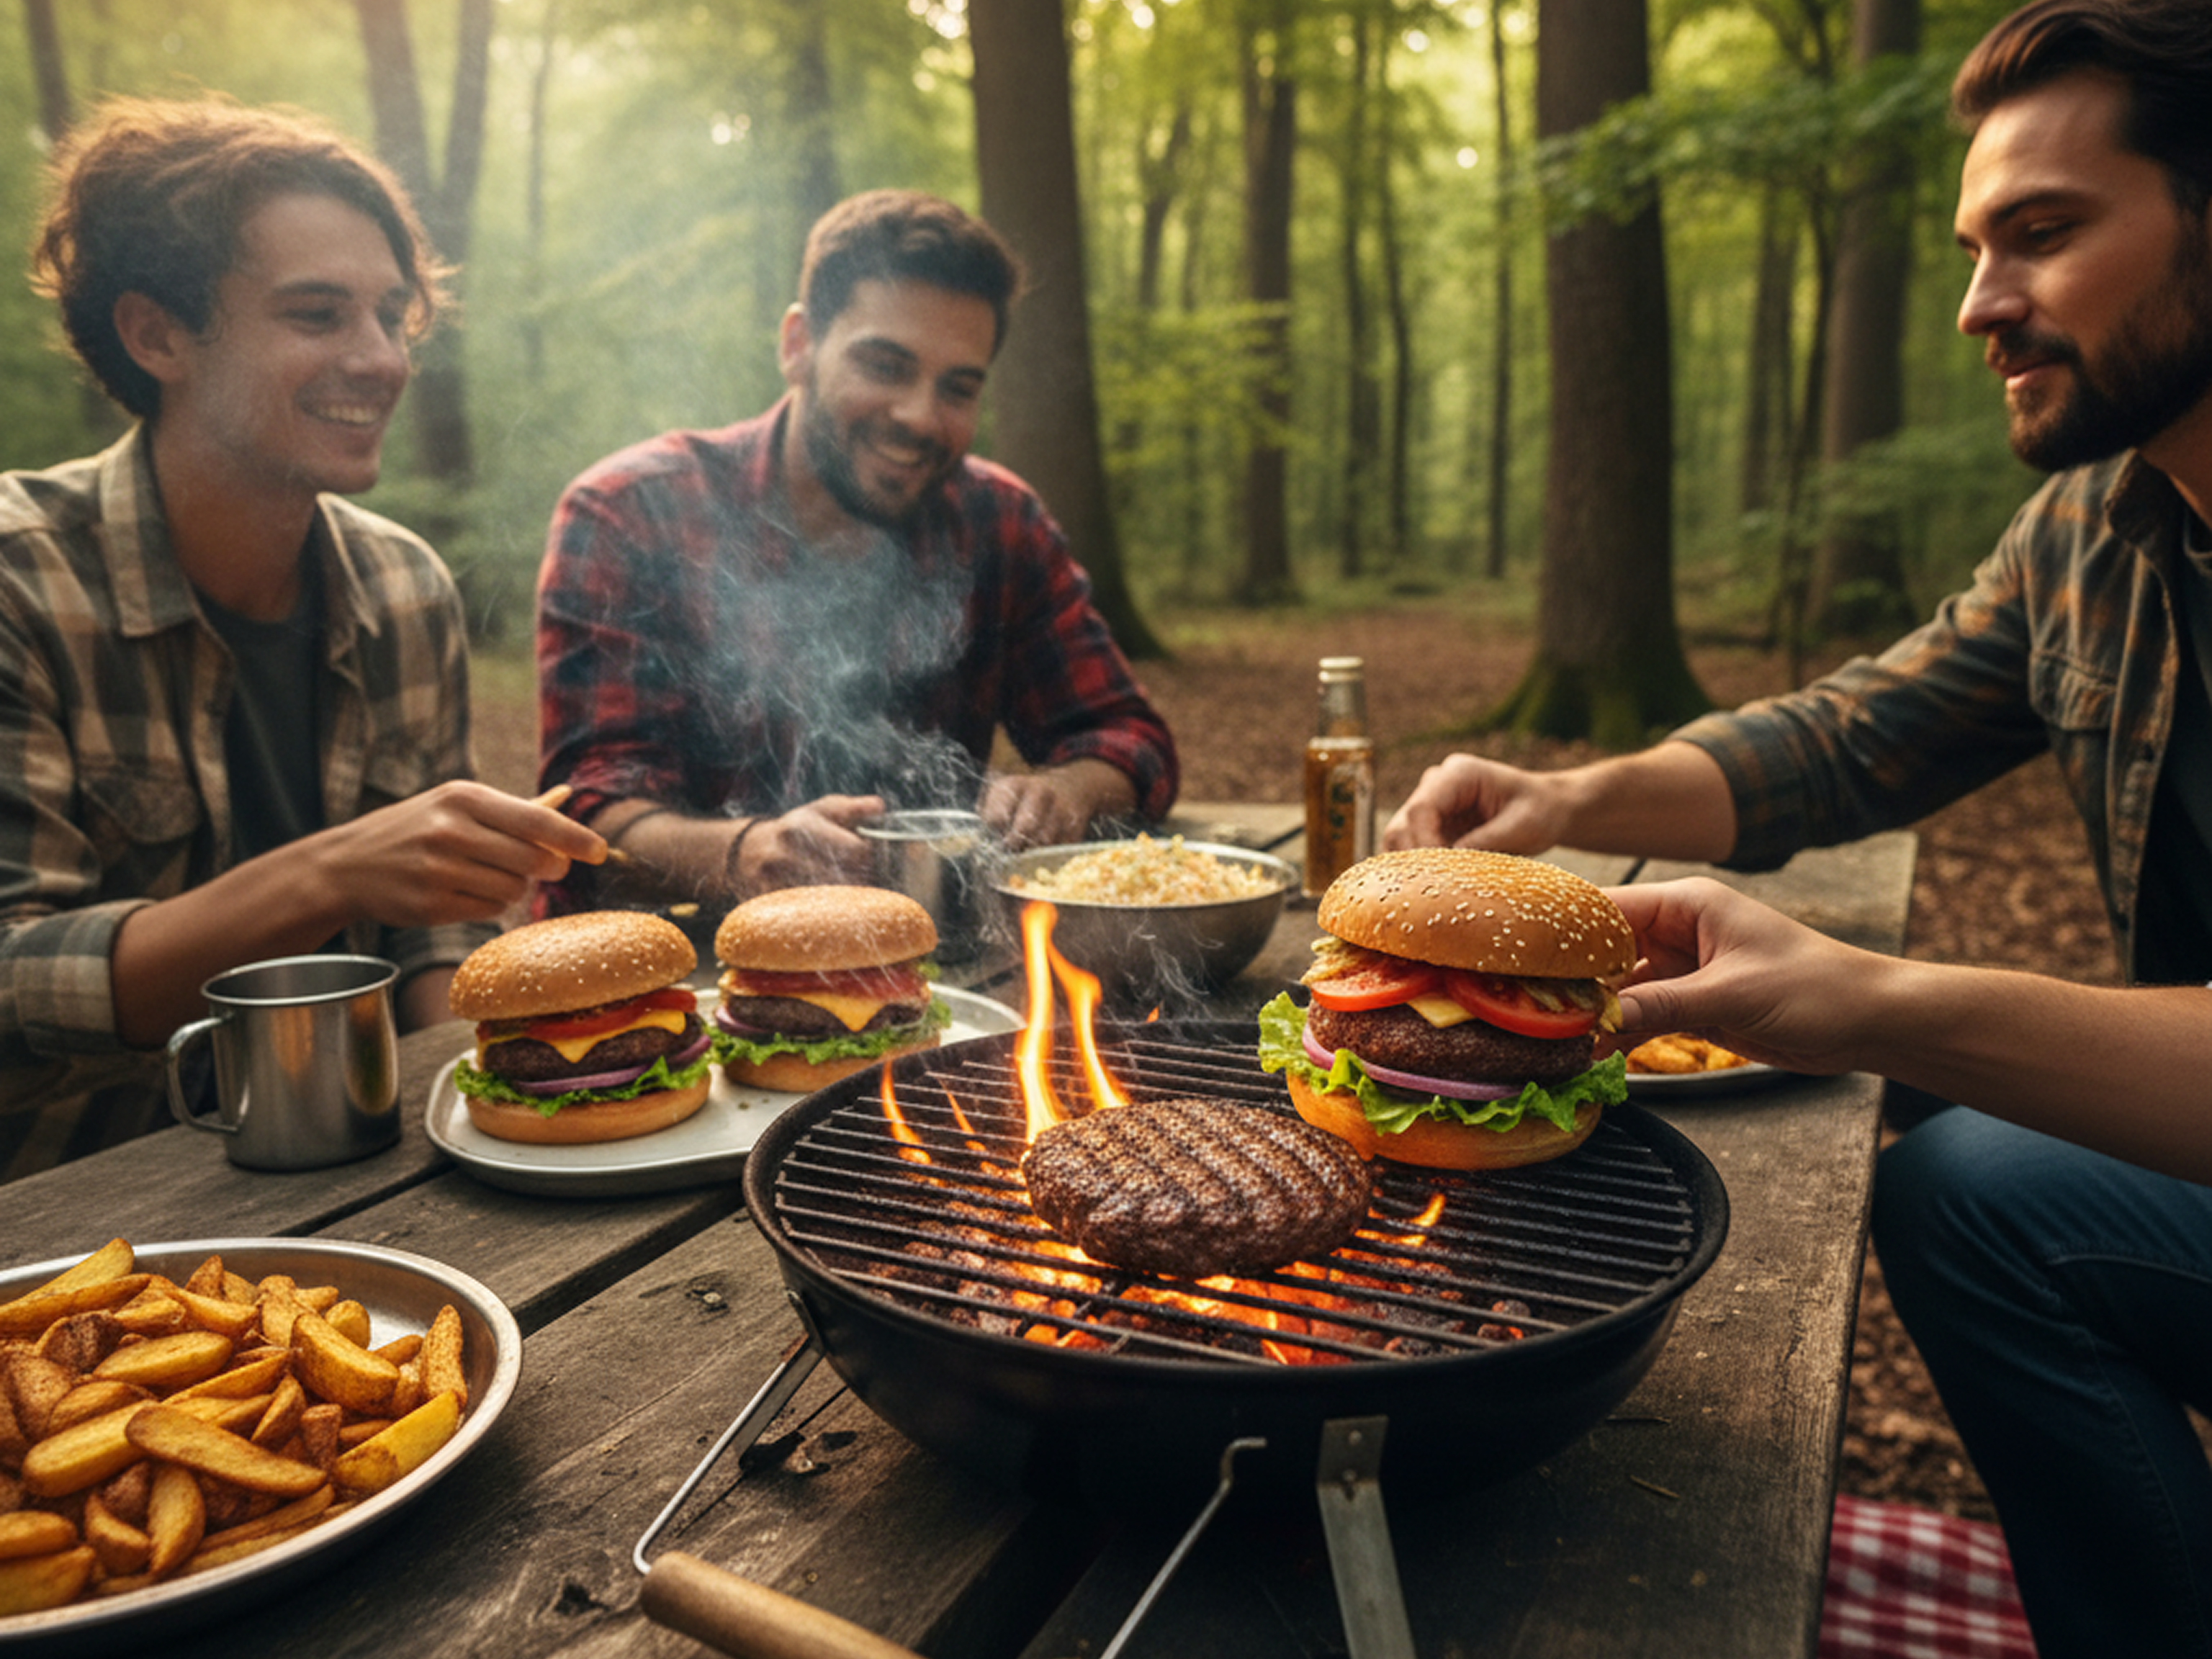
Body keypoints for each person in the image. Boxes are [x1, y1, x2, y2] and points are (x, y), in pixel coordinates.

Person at [1386, 3, 2212, 1652]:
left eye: (2040, 235)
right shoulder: (2090, 525)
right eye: (1975, 245)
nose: (1979, 305)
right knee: (1963, 1190)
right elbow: (1847, 738)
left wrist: (1860, 997)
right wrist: (1573, 798)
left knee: (1964, 1174)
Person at [0, 98, 600, 1182]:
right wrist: (334, 872)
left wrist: (494, 1110)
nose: (380, 360)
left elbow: (437, 936)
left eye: (391, 316)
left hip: (373, 1160)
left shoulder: (404, 586)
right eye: (318, 315)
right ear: (156, 334)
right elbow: (12, 983)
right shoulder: (20, 580)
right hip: (74, 1208)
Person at [534, 188, 1177, 915]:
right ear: (798, 344)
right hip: (673, 982)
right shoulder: (632, 512)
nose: (919, 417)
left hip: (933, 969)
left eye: (958, 388)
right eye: (886, 366)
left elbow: (1132, 739)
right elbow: (585, 814)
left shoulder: (1000, 521)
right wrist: (743, 853)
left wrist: (1069, 789)